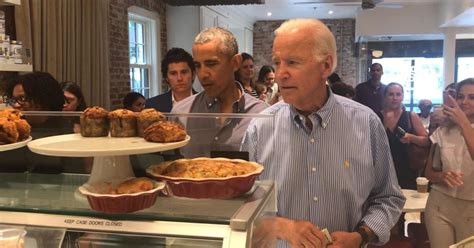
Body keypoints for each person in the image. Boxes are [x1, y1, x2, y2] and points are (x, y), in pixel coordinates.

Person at [241, 19, 404, 248]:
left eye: (293, 62)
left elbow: (388, 197)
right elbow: (241, 204)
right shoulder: (260, 128)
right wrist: (278, 225)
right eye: (277, 63)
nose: (280, 74)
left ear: (326, 66)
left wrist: (360, 236)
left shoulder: (366, 123)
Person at [172, 27, 268, 158]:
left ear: (235, 63)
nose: (202, 74)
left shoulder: (262, 114)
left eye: (211, 64)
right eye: (197, 66)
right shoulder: (181, 113)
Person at [424, 78, 474, 248]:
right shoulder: (443, 131)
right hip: (439, 205)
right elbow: (429, 173)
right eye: (461, 96)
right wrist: (441, 176)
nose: (464, 102)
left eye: (472, 97)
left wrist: (464, 122)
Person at [3, 72, 72, 173]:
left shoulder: (66, 131)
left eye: (22, 99)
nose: (16, 105)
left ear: (43, 98)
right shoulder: (10, 131)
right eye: (13, 100)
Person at [380, 82, 430, 189]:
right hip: (382, 168)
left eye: (398, 94)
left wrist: (411, 137)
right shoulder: (377, 116)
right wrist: (384, 123)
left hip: (407, 167)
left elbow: (426, 141)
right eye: (391, 94)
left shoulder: (410, 116)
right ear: (385, 96)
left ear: (403, 96)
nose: (395, 98)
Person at [145, 48, 197, 112]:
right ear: (166, 77)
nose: (179, 78)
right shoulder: (153, 105)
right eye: (173, 73)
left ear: (193, 74)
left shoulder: (206, 103)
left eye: (184, 72)